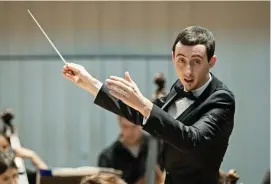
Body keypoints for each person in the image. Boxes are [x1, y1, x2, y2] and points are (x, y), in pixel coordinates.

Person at [62, 25, 235, 184]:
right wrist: (89, 83)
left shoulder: (221, 99)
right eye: (181, 60)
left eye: (196, 61)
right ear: (173, 57)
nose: (187, 71)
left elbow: (191, 140)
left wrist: (143, 104)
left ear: (211, 62)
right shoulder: (178, 88)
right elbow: (139, 111)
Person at [98, 116, 150, 184]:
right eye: (125, 126)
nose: (130, 132)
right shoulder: (107, 157)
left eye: (134, 126)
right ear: (119, 123)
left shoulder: (158, 147)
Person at [0, 109, 48, 184]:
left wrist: (33, 156)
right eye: (5, 179)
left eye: (4, 147)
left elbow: (47, 179)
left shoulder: (15, 169)